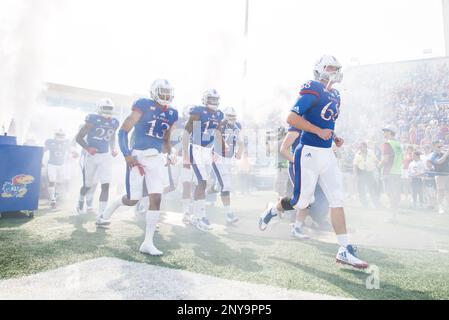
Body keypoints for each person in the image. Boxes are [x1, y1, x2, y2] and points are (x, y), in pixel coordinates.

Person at [258, 55, 369, 269]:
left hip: (327, 153)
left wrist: (333, 135)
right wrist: (318, 131)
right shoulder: (313, 87)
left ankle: (345, 249)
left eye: (337, 68)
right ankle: (273, 209)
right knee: (301, 202)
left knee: (337, 199)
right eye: (331, 67)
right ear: (320, 69)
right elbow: (292, 118)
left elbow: (325, 121)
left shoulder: (335, 94)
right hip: (308, 151)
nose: (335, 71)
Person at [98, 79, 178, 256]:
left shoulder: (173, 113)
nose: (166, 95)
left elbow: (165, 140)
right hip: (139, 156)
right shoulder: (143, 105)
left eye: (168, 92)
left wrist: (170, 153)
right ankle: (109, 209)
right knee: (133, 199)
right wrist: (127, 154)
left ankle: (148, 243)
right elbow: (123, 131)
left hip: (156, 158)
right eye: (162, 91)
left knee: (156, 197)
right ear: (154, 92)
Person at [182, 89, 224, 232]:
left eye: (215, 99)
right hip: (196, 149)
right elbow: (186, 132)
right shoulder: (198, 111)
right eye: (210, 99)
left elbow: (218, 134)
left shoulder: (218, 114)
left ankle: (199, 214)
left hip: (207, 151)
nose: (213, 102)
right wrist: (186, 153)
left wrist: (221, 149)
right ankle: (197, 216)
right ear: (205, 99)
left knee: (203, 183)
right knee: (202, 182)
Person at [75, 98, 119, 217]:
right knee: (87, 185)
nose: (107, 111)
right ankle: (80, 200)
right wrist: (88, 148)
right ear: (99, 108)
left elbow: (112, 135)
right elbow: (78, 137)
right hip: (91, 156)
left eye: (109, 109)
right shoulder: (92, 119)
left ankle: (102, 214)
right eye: (105, 108)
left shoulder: (114, 122)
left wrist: (113, 148)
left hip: (105, 155)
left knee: (105, 184)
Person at [212, 107, 244, 224]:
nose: (232, 119)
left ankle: (201, 194)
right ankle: (229, 214)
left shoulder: (237, 126)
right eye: (229, 116)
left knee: (218, 187)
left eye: (233, 116)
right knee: (226, 186)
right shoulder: (220, 124)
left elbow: (240, 141)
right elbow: (217, 135)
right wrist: (224, 144)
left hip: (228, 160)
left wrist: (240, 149)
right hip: (218, 157)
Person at [379, 126, 403, 222]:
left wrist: (378, 166)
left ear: (390, 133)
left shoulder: (387, 144)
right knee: (395, 194)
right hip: (397, 172)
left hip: (389, 172)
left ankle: (392, 217)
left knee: (391, 195)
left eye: (385, 131)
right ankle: (394, 215)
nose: (384, 133)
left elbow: (386, 159)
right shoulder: (398, 144)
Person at [44, 129, 72, 209]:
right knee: (52, 181)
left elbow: (71, 151)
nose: (60, 136)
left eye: (61, 135)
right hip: (52, 164)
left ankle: (66, 193)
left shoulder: (67, 142)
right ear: (55, 135)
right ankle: (53, 199)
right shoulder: (50, 141)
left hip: (62, 164)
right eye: (58, 135)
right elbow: (43, 150)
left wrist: (73, 154)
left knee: (66, 179)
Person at [352, 142, 380, 208]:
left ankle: (376, 203)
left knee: (372, 188)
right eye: (359, 147)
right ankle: (364, 204)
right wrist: (355, 174)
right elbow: (355, 165)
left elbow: (376, 161)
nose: (360, 148)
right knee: (361, 189)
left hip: (369, 173)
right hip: (361, 172)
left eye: (361, 147)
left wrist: (379, 168)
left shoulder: (371, 152)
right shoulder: (357, 154)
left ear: (365, 147)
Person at [430, 140, 449, 214]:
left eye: (441, 146)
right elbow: (439, 162)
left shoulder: (444, 153)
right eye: (439, 146)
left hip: (447, 174)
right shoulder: (433, 155)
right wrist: (446, 154)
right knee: (440, 191)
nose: (441, 148)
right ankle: (440, 207)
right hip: (440, 175)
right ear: (434, 147)